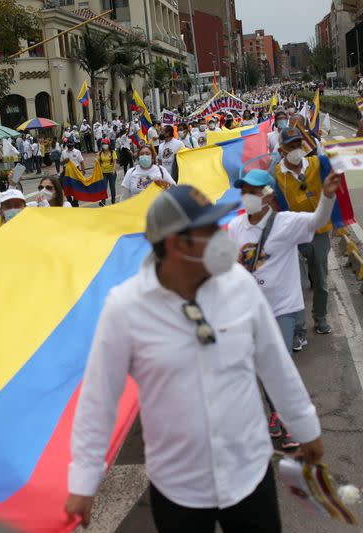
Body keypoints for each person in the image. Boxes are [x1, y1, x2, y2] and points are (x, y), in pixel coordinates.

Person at [65, 184, 324, 532]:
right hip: (178, 489)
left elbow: (276, 365)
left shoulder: (239, 286)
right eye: (207, 231)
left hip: (249, 473)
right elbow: (99, 399)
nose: (221, 239)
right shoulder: (125, 308)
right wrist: (83, 480)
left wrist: (306, 428)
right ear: (175, 243)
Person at [229, 169, 339, 450]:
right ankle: (275, 412)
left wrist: (326, 196)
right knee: (261, 366)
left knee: (281, 363)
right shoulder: (235, 228)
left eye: (253, 192)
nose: (248, 197)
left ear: (267, 196)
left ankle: (284, 419)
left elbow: (318, 220)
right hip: (250, 309)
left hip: (282, 308)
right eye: (244, 191)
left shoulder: (286, 223)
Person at [272, 128, 335, 351]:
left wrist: (359, 133)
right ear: (282, 150)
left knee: (321, 281)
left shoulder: (318, 164)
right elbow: (272, 206)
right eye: (291, 145)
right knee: (295, 285)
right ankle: (298, 331)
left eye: (298, 144)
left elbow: (344, 159)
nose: (296, 149)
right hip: (292, 237)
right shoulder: (275, 174)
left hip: (318, 232)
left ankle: (320, 319)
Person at [97, 139, 118, 206]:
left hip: (112, 173)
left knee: (112, 187)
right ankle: (103, 202)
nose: (104, 145)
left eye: (105, 144)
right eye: (103, 144)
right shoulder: (100, 153)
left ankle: (113, 200)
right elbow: (98, 162)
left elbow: (115, 162)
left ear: (108, 144)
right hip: (103, 173)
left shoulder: (112, 152)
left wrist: (114, 170)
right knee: (103, 188)